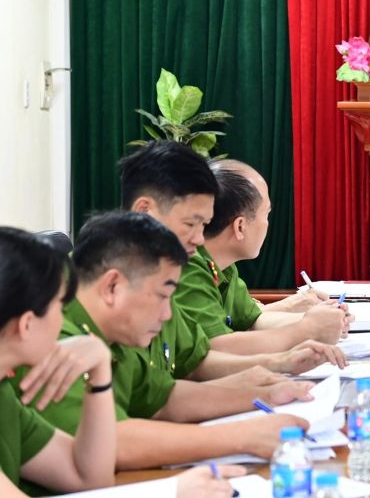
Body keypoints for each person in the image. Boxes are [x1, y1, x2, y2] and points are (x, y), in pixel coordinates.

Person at [12, 211, 310, 470]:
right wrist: (241, 436)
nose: (167, 313)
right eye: (162, 296)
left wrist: (262, 396)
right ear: (112, 286)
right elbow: (112, 443)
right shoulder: (44, 340)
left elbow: (162, 399)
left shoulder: (114, 329)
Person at [119, 141, 347, 379]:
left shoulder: (160, 278)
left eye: (204, 224)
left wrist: (280, 364)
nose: (200, 239)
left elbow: (193, 365)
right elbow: (211, 351)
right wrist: (303, 332)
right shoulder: (136, 280)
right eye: (191, 224)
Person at [174, 159, 351, 357]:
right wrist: (306, 329)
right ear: (240, 226)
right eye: (265, 214)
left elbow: (252, 320)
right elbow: (216, 348)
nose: (267, 224)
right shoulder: (189, 266)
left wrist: (319, 321)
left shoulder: (223, 264)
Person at [0, 227, 115, 495]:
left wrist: (100, 370)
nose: (63, 322)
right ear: (27, 324)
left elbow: (87, 477)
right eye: (59, 309)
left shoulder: (4, 391)